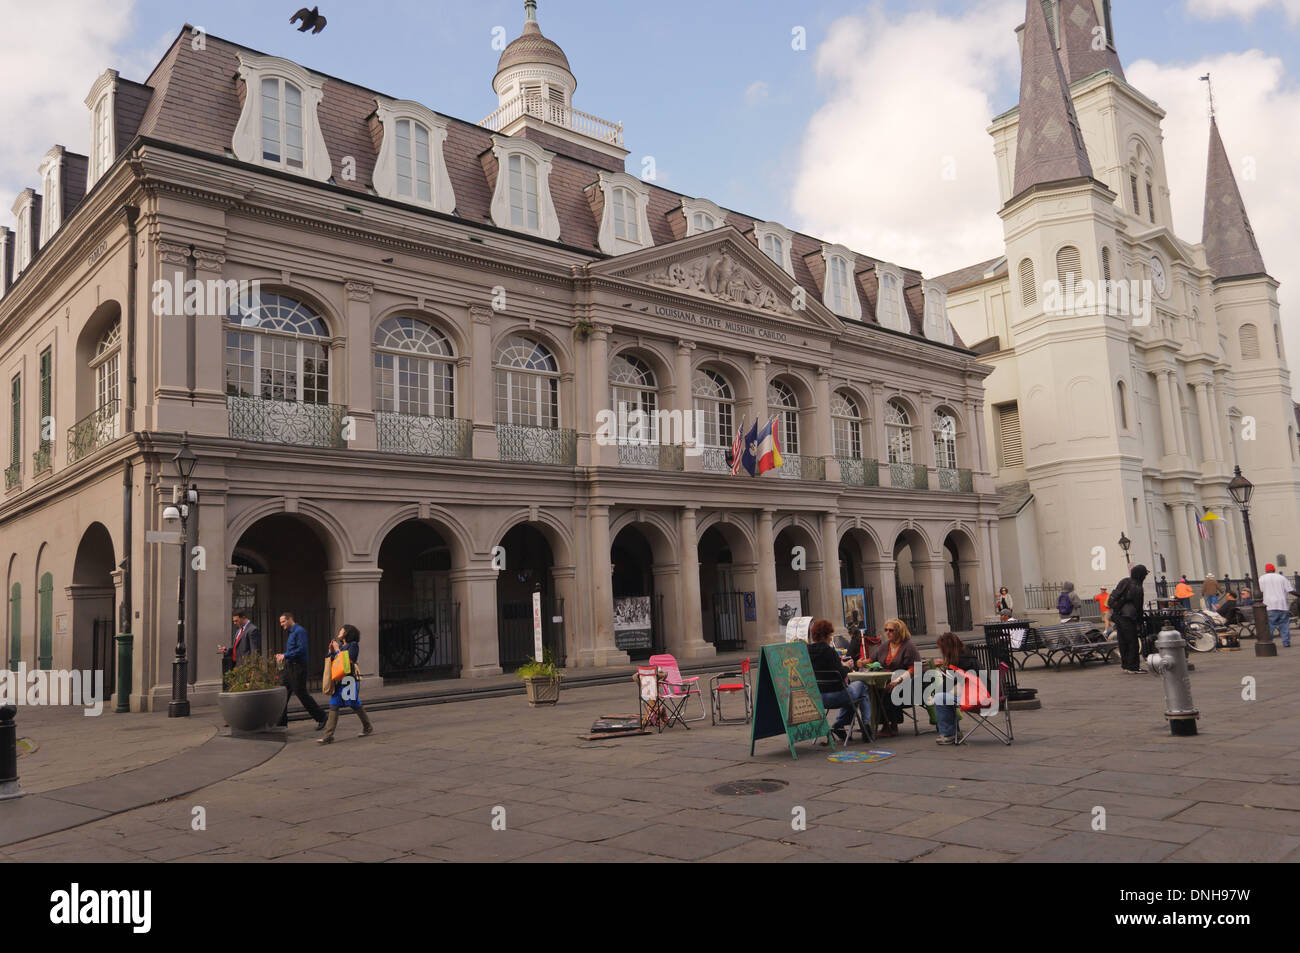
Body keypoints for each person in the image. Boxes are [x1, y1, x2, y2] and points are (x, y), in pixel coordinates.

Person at [806, 618, 870, 745]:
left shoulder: (807, 651)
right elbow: (840, 673)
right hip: (837, 695)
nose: (831, 638)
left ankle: (839, 725)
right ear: (826, 635)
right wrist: (848, 666)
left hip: (818, 698)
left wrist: (842, 665)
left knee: (852, 694)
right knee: (862, 686)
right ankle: (866, 725)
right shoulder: (829, 651)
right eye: (830, 635)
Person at [319, 624, 376, 744]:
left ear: (347, 633)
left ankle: (367, 726)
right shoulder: (341, 646)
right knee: (334, 705)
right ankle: (328, 736)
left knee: (353, 703)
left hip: (348, 679)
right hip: (339, 681)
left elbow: (347, 662)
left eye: (341, 630)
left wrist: (337, 651)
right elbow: (333, 661)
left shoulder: (353, 645)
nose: (339, 632)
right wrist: (330, 651)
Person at [869, 618, 923, 737]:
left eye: (891, 630)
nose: (887, 633)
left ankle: (892, 725)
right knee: (872, 689)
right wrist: (862, 662)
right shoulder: (884, 646)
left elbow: (914, 668)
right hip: (887, 680)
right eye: (886, 630)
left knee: (888, 689)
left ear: (899, 631)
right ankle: (875, 723)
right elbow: (871, 660)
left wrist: (898, 680)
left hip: (907, 683)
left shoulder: (909, 646)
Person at [276, 611, 327, 730]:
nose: (281, 624)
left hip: (298, 667)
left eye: (283, 621)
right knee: (283, 693)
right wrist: (284, 656)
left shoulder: (300, 631)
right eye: (280, 622)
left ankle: (322, 717)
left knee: (301, 693)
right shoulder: (292, 632)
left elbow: (302, 650)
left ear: (289, 620)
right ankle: (281, 723)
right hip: (290, 667)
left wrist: (285, 655)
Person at [932, 632, 979, 745]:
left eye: (941, 648)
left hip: (974, 697)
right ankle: (953, 731)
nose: (941, 651)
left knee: (939, 697)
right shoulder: (966, 655)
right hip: (981, 692)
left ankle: (949, 734)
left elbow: (947, 684)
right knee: (944, 697)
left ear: (947, 648)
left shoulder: (959, 661)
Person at [1110, 564, 1148, 673]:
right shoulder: (1137, 587)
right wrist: (1140, 622)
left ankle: (1125, 665)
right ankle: (1133, 666)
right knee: (1133, 642)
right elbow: (1138, 606)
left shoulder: (1125, 581)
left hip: (1117, 614)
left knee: (1123, 641)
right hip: (1128, 617)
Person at [1259, 563, 1295, 649]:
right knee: (1284, 625)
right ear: (1274, 569)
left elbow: (1261, 591)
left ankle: (1269, 641)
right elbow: (1290, 590)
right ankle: (1286, 642)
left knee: (1270, 625)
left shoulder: (1262, 578)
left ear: (1266, 570)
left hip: (1269, 605)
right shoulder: (1281, 577)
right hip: (1282, 605)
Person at [218, 611, 262, 676]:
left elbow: (255, 651)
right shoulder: (239, 630)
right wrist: (227, 650)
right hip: (236, 666)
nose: (235, 623)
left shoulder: (252, 630)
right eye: (234, 621)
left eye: (236, 621)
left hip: (247, 668)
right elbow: (237, 647)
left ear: (243, 618)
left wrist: (253, 668)